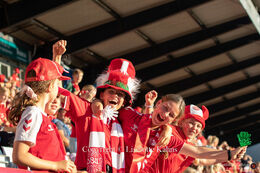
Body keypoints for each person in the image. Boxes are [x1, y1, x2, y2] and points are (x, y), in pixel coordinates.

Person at [93, 91, 247, 173]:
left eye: (199, 126)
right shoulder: (168, 132)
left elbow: (200, 155)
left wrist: (228, 155)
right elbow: (111, 104)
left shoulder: (171, 136)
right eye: (191, 123)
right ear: (180, 122)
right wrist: (97, 102)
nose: (195, 128)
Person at [8, 58, 76, 172]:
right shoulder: (33, 112)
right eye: (57, 84)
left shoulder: (39, 114)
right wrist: (56, 165)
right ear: (50, 87)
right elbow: (19, 156)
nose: (58, 89)